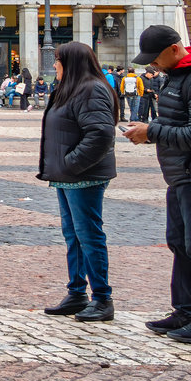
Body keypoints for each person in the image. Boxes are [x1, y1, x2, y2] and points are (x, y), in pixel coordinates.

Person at [122, 24, 191, 342]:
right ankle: (185, 310)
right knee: (179, 244)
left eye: (155, 58)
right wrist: (148, 128)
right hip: (179, 175)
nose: (152, 65)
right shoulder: (175, 76)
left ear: (174, 49)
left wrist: (151, 132)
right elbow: (174, 122)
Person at [37, 41, 118, 323]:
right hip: (67, 176)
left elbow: (100, 134)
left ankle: (102, 298)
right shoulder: (69, 89)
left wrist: (72, 163)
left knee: (89, 236)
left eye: (57, 60)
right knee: (73, 235)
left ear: (70, 63)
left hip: (83, 176)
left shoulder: (91, 89)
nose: (53, 65)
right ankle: (77, 292)